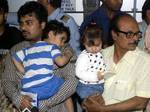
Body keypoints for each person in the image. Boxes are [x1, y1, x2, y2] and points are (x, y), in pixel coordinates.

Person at [2, 1, 77, 112]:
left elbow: (71, 82)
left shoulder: (61, 49)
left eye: (29, 23)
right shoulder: (16, 50)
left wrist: (42, 104)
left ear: (42, 24)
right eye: (21, 23)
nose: (23, 27)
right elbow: (8, 81)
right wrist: (19, 100)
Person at [82, 14, 150, 112]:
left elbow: (141, 101)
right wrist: (87, 101)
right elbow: (85, 85)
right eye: (129, 34)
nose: (135, 39)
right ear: (114, 35)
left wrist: (102, 109)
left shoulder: (145, 61)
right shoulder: (100, 55)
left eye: (137, 34)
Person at [12, 20, 74, 112]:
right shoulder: (52, 48)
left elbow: (15, 57)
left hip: (28, 89)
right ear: (51, 34)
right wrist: (69, 54)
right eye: (62, 39)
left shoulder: (28, 49)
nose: (62, 44)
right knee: (66, 91)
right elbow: (61, 62)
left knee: (24, 104)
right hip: (46, 86)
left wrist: (24, 71)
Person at [75, 24, 106, 101]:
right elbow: (79, 73)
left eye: (97, 45)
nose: (94, 49)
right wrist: (95, 76)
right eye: (90, 46)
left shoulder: (102, 53)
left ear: (102, 42)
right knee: (92, 106)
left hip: (101, 84)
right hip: (86, 87)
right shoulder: (84, 56)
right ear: (84, 43)